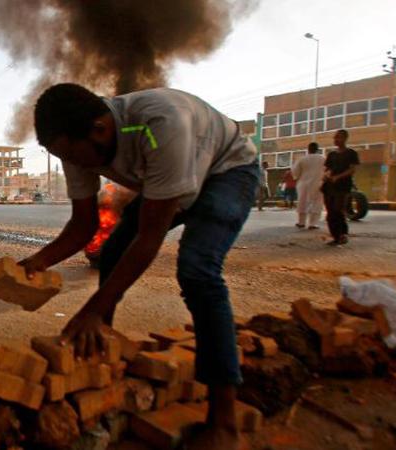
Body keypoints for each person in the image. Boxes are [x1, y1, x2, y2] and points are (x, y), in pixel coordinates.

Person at [19, 84, 258, 450]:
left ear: (100, 128)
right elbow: (83, 227)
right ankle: (101, 358)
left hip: (226, 171)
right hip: (170, 178)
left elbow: (149, 238)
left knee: (198, 269)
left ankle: (224, 422)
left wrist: (93, 309)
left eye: (71, 154)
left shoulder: (161, 122)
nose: (74, 163)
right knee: (112, 251)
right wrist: (38, 261)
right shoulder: (75, 145)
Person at [322, 129, 359, 245]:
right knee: (330, 212)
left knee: (338, 210)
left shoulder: (351, 153)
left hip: (343, 186)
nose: (336, 140)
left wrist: (338, 177)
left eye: (338, 137)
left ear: (345, 138)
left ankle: (343, 234)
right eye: (335, 137)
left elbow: (352, 170)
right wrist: (326, 175)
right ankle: (336, 236)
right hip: (329, 186)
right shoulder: (332, 154)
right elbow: (328, 169)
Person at [292, 142, 325, 229]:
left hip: (303, 183)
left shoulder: (302, 159)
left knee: (302, 202)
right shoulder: (323, 159)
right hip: (318, 183)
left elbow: (295, 172)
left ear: (308, 149)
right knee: (317, 203)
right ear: (317, 149)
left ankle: (301, 222)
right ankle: (313, 224)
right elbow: (327, 170)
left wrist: (298, 177)